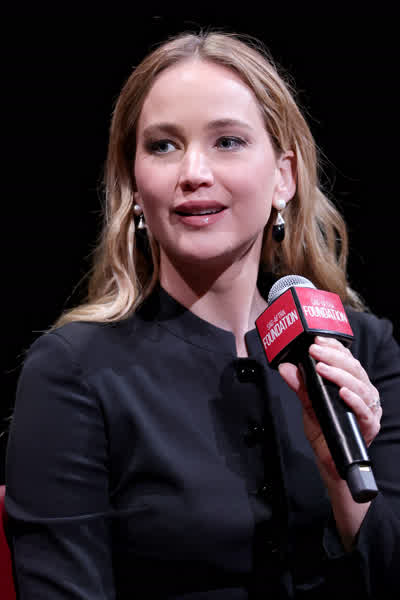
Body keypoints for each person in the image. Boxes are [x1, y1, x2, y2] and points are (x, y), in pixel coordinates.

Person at [4, 30, 400, 599]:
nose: (193, 171)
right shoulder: (74, 370)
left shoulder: (364, 349)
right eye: (163, 145)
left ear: (283, 177)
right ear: (134, 186)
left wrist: (341, 479)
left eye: (228, 141)